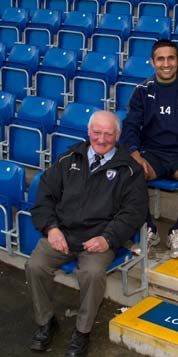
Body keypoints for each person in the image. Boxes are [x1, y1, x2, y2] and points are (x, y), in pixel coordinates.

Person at [25, 111, 147, 357]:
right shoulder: (68, 159)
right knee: (35, 265)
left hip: (100, 239)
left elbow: (133, 213)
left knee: (91, 273)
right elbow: (43, 197)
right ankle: (46, 321)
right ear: (88, 132)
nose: (101, 139)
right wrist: (51, 229)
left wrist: (108, 238)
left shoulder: (130, 170)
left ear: (118, 135)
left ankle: (82, 331)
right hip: (64, 232)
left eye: (108, 134)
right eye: (97, 132)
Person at [119, 39, 178, 259]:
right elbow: (130, 126)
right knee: (130, 172)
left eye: (171, 58)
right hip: (152, 154)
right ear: (152, 62)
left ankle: (177, 230)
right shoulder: (142, 91)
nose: (166, 64)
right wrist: (134, 154)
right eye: (160, 59)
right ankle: (149, 230)